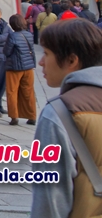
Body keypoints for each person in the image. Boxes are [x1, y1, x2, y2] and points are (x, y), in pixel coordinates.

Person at [30, 17, 102, 218]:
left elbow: (50, 201)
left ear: (71, 60)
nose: (41, 61)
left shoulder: (60, 112)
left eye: (46, 53)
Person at [4, 13, 37, 127]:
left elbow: (7, 52)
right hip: (28, 67)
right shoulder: (29, 34)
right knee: (28, 92)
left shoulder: (12, 36)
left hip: (14, 67)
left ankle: (14, 117)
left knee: (12, 92)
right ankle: (32, 116)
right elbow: (32, 49)